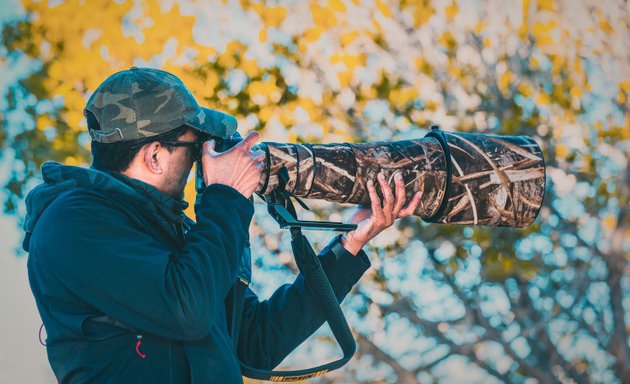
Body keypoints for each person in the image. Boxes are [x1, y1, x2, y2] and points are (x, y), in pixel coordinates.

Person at [23, 67, 421, 383]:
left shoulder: (177, 235)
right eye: (194, 146)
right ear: (155, 156)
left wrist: (348, 245)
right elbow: (185, 310)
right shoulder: (73, 221)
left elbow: (257, 342)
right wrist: (226, 196)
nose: (201, 159)